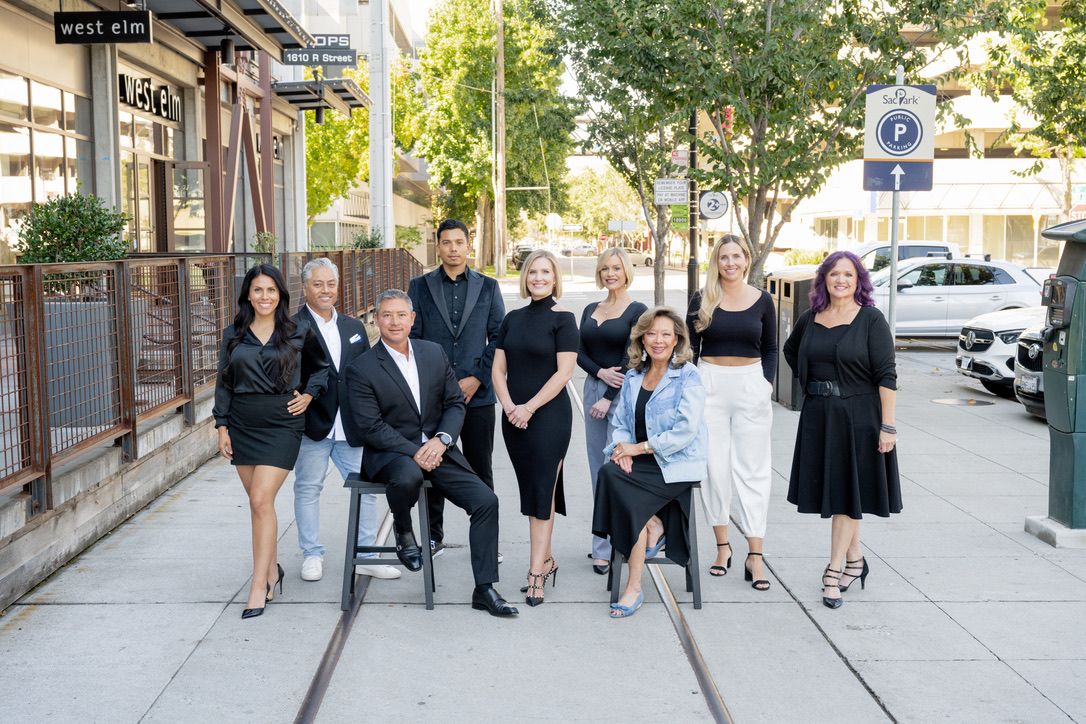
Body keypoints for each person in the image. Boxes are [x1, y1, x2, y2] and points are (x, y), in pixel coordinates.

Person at [345, 290, 518, 617]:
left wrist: (441, 439)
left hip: (438, 448)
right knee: (409, 475)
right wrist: (417, 451)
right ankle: (403, 528)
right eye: (386, 315)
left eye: (401, 315)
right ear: (376, 320)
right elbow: (371, 427)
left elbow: (454, 403)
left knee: (486, 502)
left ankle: (484, 588)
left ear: (412, 319)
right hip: (392, 453)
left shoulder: (432, 353)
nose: (394, 322)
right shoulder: (363, 368)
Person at [782, 251, 901, 610]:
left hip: (859, 417)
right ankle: (855, 561)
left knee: (845, 499)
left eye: (848, 274)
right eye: (834, 274)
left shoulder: (871, 320)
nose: (841, 280)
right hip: (819, 416)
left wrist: (888, 425)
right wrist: (816, 384)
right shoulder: (811, 317)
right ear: (824, 279)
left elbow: (887, 375)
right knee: (842, 494)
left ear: (859, 280)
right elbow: (792, 352)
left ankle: (833, 570)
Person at [213, 264, 330, 619]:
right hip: (243, 423)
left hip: (282, 423)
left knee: (262, 498)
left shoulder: (298, 330)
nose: (265, 297)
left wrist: (309, 396)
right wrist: (222, 426)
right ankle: (272, 571)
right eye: (258, 290)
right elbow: (224, 382)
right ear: (248, 294)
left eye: (271, 291)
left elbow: (322, 367)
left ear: (281, 294)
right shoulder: (232, 334)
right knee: (257, 504)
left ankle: (258, 585)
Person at [593, 307, 707, 618]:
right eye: (652, 333)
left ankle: (633, 586)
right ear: (642, 338)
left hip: (675, 462)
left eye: (665, 334)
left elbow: (684, 432)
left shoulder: (688, 376)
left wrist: (638, 449)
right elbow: (620, 423)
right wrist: (620, 449)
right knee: (608, 472)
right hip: (640, 458)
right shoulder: (634, 376)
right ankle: (654, 524)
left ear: (677, 339)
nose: (658, 340)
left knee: (626, 493)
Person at [292, 258, 400, 583]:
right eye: (318, 284)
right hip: (313, 425)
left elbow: (365, 374)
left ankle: (367, 555)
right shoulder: (292, 329)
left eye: (330, 284)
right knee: (308, 489)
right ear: (305, 287)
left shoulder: (353, 328)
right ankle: (312, 554)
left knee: (366, 490)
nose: (325, 290)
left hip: (351, 426)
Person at [407, 219, 505, 562]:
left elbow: (499, 337)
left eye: (458, 242)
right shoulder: (418, 286)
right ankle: (433, 537)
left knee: (481, 468)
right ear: (439, 246)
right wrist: (439, 382)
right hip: (433, 395)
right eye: (446, 243)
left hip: (477, 395)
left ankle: (486, 541)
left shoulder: (489, 287)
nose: (452, 248)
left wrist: (478, 377)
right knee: (433, 464)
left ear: (468, 245)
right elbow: (413, 338)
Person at [686, 234, 777, 590]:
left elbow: (770, 348)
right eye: (724, 257)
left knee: (753, 470)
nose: (730, 263)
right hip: (709, 385)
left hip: (750, 383)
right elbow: (690, 348)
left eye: (736, 256)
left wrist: (764, 385)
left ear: (747, 259)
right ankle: (722, 546)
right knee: (714, 469)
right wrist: (692, 388)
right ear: (716, 261)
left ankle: (755, 554)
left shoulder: (763, 300)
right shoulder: (702, 298)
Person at [491, 250, 578, 606]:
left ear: (555, 277)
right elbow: (498, 369)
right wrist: (510, 406)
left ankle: (535, 573)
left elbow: (564, 374)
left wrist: (528, 407)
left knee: (542, 494)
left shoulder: (565, 319)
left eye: (545, 272)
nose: (538, 278)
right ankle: (546, 558)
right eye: (532, 272)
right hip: (514, 419)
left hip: (549, 418)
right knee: (533, 494)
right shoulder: (512, 318)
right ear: (525, 277)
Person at [577, 248, 647, 575]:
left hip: (620, 395)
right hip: (593, 389)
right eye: (605, 268)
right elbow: (578, 352)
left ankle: (622, 540)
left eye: (616, 268)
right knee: (595, 468)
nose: (610, 273)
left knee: (614, 467)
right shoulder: (592, 308)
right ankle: (600, 545)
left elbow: (632, 355)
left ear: (626, 270)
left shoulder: (638, 310)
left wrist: (608, 391)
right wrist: (598, 374)